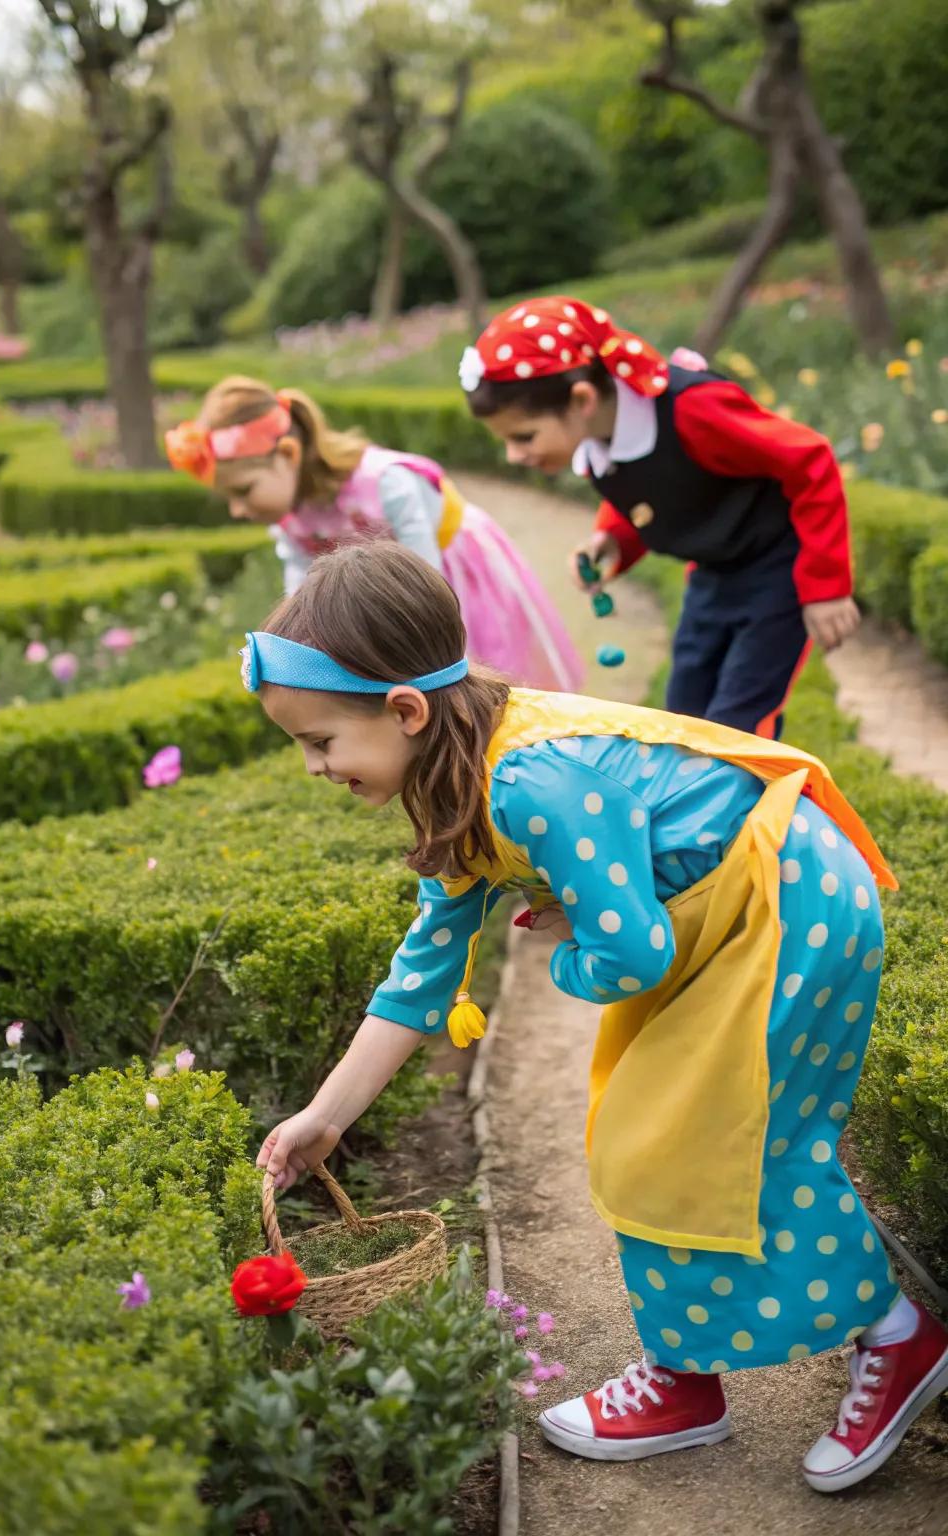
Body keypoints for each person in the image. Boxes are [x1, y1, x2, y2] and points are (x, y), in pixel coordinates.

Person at [246, 541, 947, 1495]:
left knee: (752, 1139)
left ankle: (899, 1341)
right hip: (729, 916)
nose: (315, 767)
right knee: (645, 1137)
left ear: (406, 710)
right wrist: (326, 1119)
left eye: (319, 741)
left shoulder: (529, 783)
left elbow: (630, 956)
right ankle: (684, 1382)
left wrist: (562, 938)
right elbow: (423, 976)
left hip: (787, 909)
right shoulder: (458, 774)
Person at [458, 297, 861, 739]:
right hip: (712, 573)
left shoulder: (693, 409)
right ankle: (701, 795)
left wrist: (826, 588)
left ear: (581, 398)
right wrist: (611, 540)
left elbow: (810, 461)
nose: (514, 455)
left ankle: (757, 804)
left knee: (740, 720)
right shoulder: (599, 437)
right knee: (685, 709)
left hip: (777, 569)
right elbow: (644, 488)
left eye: (523, 437)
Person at [164, 374, 583, 692]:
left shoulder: (385, 482)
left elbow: (426, 577)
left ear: (288, 455)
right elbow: (302, 586)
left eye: (243, 491)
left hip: (451, 574)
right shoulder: (290, 517)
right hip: (394, 587)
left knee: (481, 665)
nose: (239, 510)